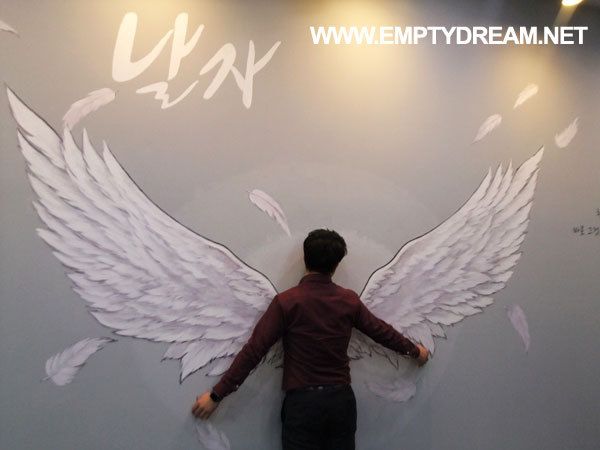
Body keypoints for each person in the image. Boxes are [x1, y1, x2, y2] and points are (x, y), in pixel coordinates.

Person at [192, 229, 429, 449]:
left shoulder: (287, 302)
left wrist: (216, 395)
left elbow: (254, 351)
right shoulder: (348, 301)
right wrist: (415, 351)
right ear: (336, 265)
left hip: (303, 404)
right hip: (341, 403)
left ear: (305, 258)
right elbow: (381, 331)